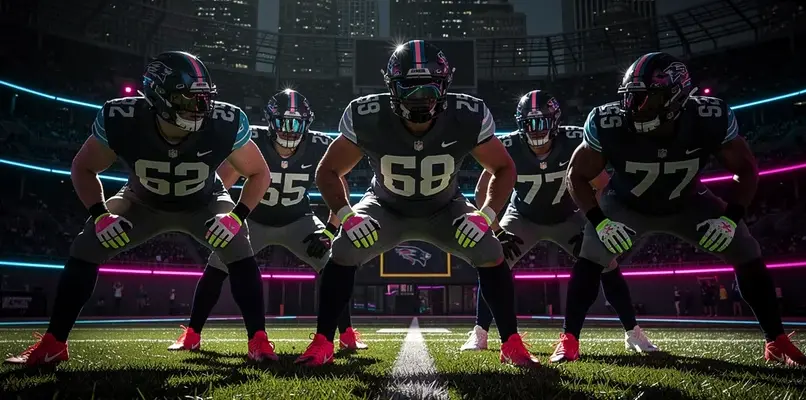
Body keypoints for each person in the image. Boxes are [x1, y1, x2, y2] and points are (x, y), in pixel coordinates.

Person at [5, 51, 276, 366]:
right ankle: (54, 343)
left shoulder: (224, 121)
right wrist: (101, 214)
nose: (200, 107)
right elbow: (83, 167)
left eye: (204, 98)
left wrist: (236, 215)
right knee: (87, 242)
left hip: (203, 200)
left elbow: (260, 173)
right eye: (188, 98)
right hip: (141, 201)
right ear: (159, 96)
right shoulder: (122, 118)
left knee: (237, 240)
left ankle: (258, 340)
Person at [295, 40, 538, 367]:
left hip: (445, 208)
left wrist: (486, 215)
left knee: (490, 250)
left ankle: (511, 342)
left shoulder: (468, 115)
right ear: (392, 87)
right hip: (385, 207)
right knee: (344, 249)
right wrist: (346, 215)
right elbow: (327, 171)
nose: (420, 99)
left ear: (446, 86)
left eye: (430, 89)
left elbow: (505, 167)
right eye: (409, 88)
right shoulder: (367, 115)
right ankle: (323, 340)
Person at [557, 52, 806, 365]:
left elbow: (746, 169)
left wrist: (730, 218)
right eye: (631, 98)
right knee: (591, 250)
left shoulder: (708, 117)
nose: (634, 107)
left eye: (645, 98)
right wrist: (599, 221)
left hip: (688, 201)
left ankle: (777, 339)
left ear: (674, 96)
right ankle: (568, 339)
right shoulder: (609, 121)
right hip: (625, 203)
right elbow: (576, 175)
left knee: (745, 246)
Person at [460, 90, 658, 354]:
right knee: (493, 261)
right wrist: (496, 229)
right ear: (520, 124)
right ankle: (480, 332)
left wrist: (592, 222)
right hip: (523, 217)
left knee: (606, 261)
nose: (536, 131)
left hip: (567, 217)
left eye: (542, 122)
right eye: (529, 124)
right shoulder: (509, 146)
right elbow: (482, 191)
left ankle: (633, 332)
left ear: (555, 122)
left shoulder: (574, 140)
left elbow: (602, 186)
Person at [168, 90, 366, 352]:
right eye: (283, 122)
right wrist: (222, 216)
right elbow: (220, 185)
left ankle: (347, 333)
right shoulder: (254, 140)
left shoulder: (318, 145)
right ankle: (192, 334)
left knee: (333, 265)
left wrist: (330, 231)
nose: (290, 130)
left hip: (299, 220)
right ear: (270, 121)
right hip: (254, 219)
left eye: (297, 123)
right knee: (217, 266)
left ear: (308, 123)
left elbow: (338, 187)